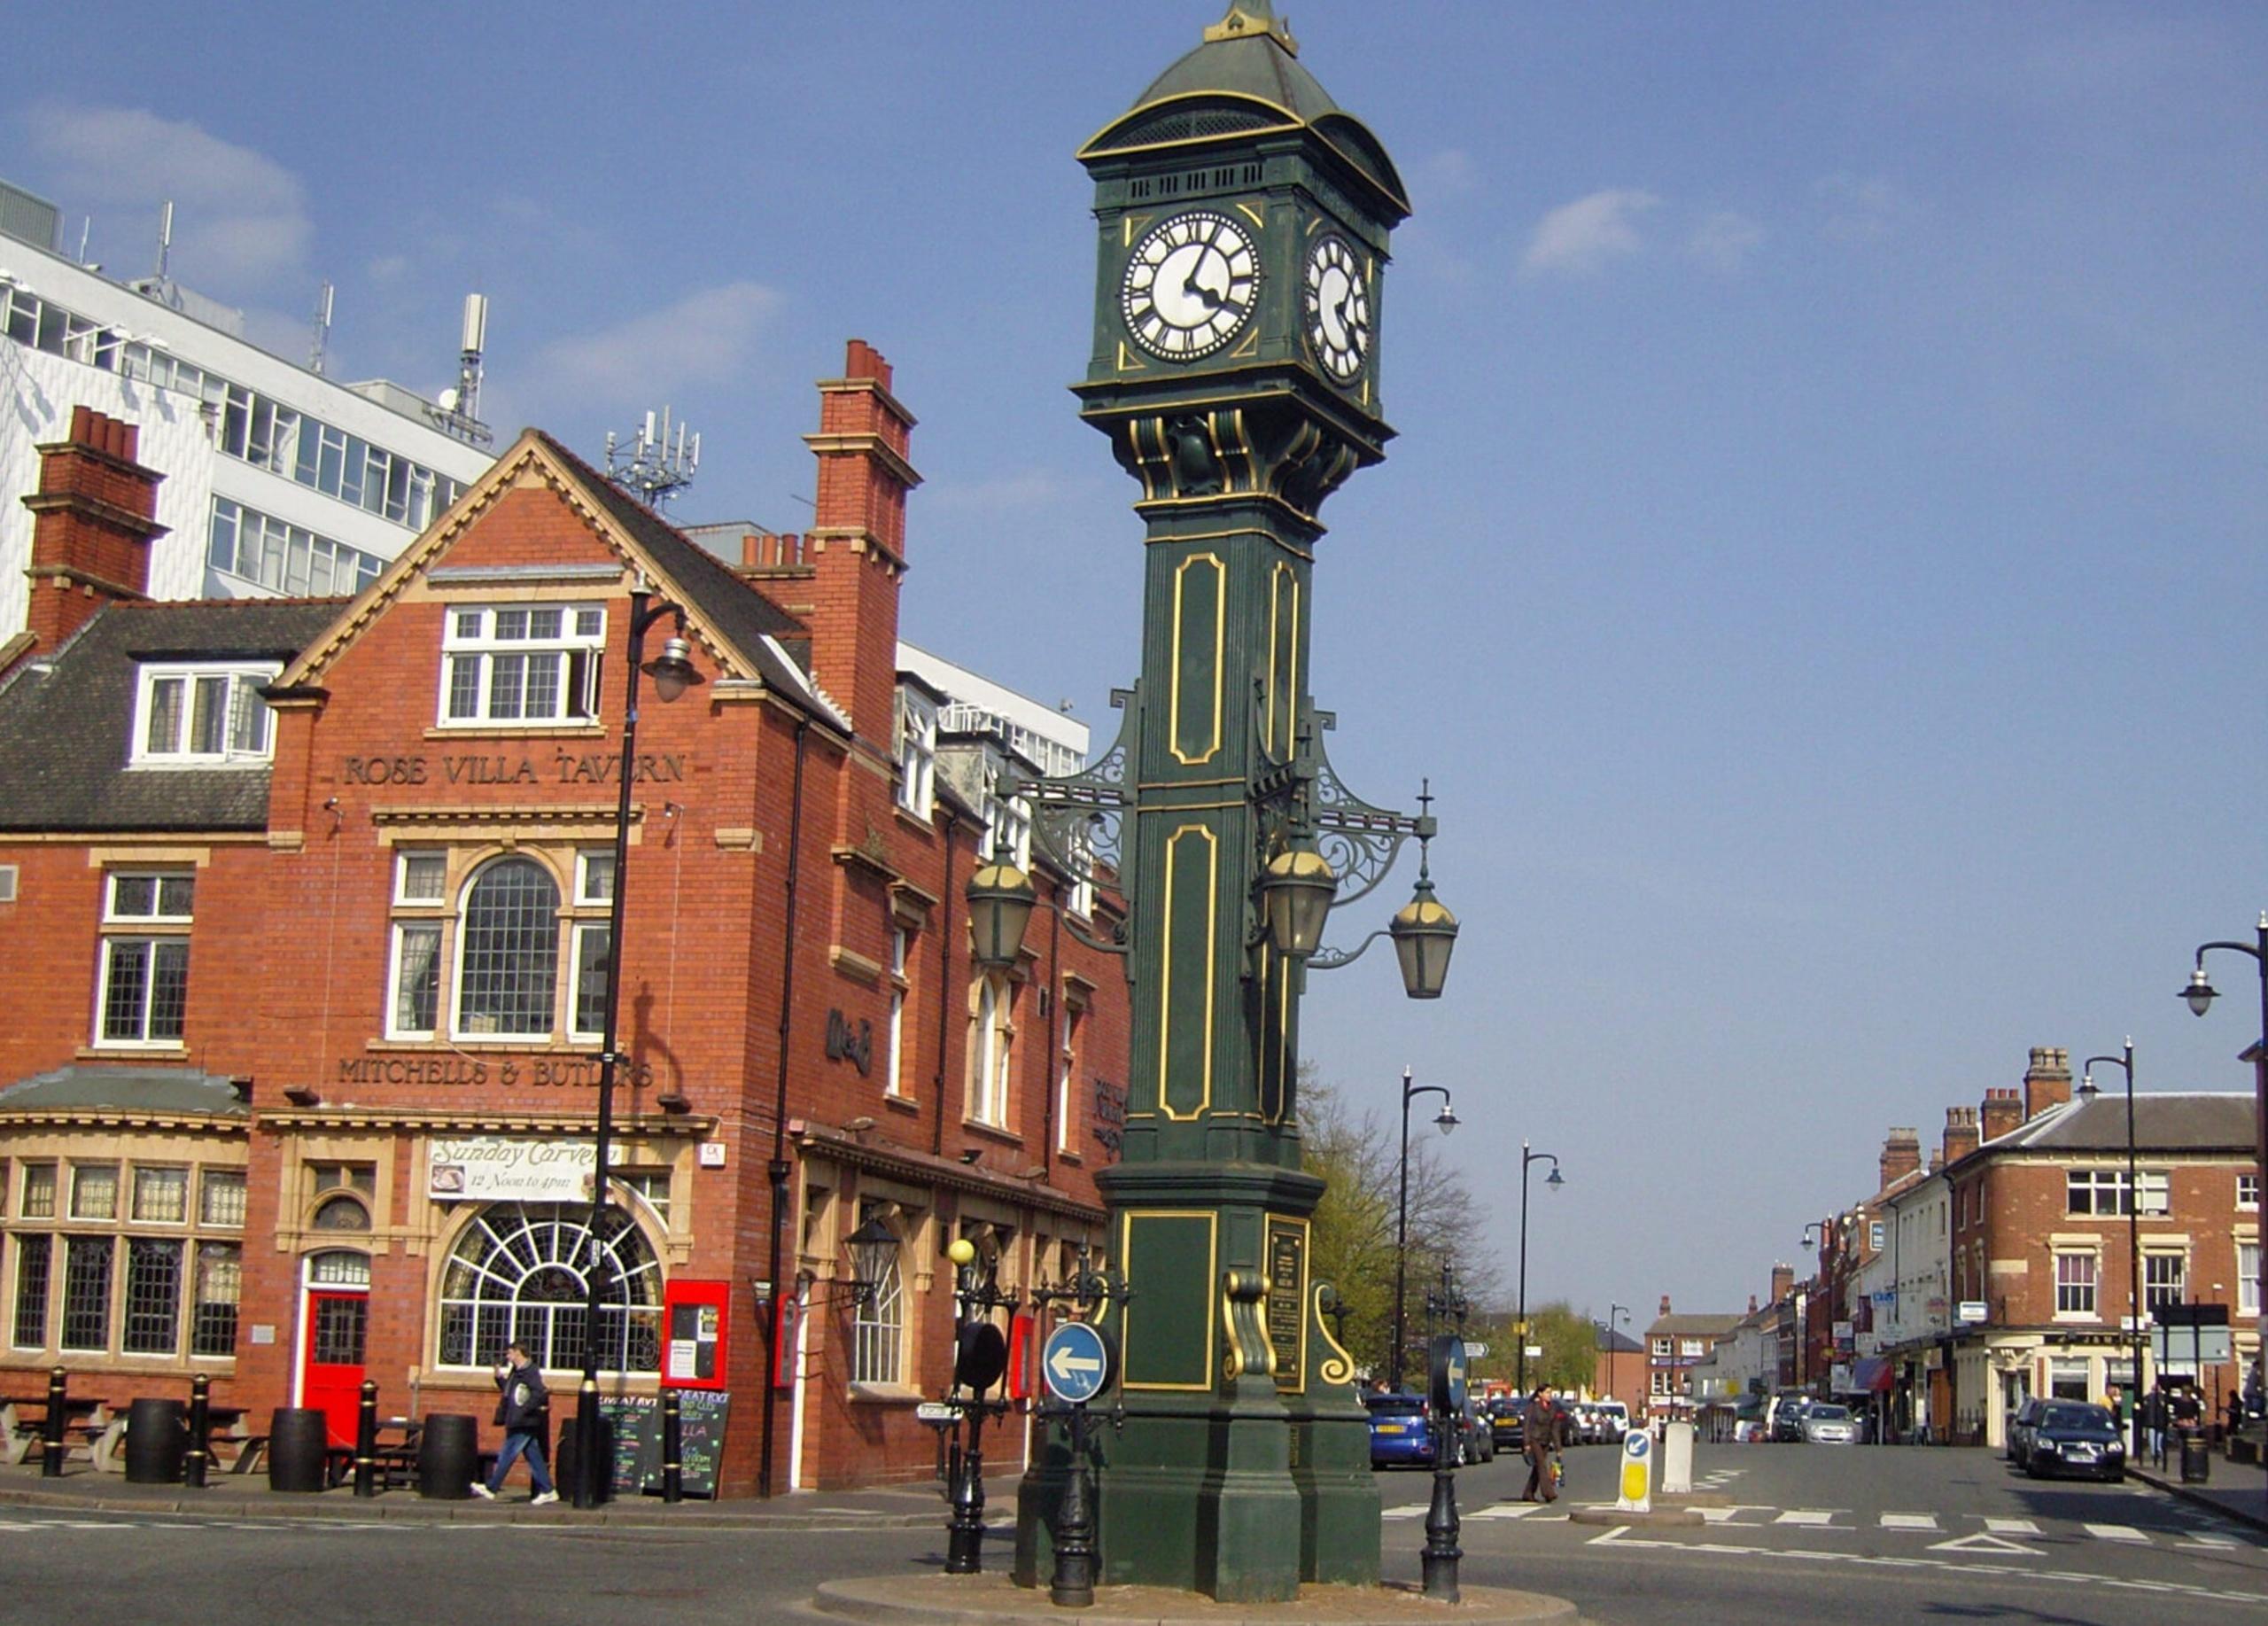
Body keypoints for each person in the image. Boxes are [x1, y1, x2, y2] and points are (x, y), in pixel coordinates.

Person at [472, 1342, 557, 1505]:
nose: (507, 1356)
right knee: (533, 1457)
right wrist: (499, 1378)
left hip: (524, 1421)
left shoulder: (530, 1371)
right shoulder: (517, 1372)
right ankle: (548, 1490)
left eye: (510, 1353)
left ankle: (491, 1488)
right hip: (517, 1419)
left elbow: (539, 1393)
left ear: (518, 1353)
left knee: (507, 1453)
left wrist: (525, 1409)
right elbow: (509, 1391)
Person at [1521, 1384, 1563, 1503]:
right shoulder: (1533, 1407)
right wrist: (1526, 1443)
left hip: (1545, 1440)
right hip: (1534, 1439)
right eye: (1547, 1392)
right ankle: (1548, 1493)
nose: (1550, 1395)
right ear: (1540, 1394)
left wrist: (1558, 1447)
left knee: (1538, 1468)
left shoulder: (1553, 1408)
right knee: (1541, 1465)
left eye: (1550, 1392)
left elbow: (1555, 1429)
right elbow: (1526, 1426)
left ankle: (1528, 1493)